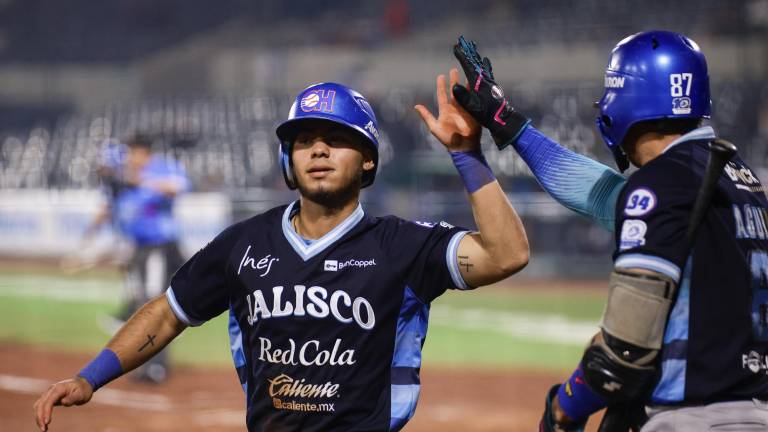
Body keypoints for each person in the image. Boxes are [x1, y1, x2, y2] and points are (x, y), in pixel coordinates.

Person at [33, 81, 529, 431]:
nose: (318, 150)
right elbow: (168, 312)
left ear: (369, 159)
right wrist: (88, 378)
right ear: (286, 159)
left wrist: (467, 154)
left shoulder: (402, 246)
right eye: (304, 141)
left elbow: (506, 254)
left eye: (337, 140)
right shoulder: (243, 243)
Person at [450, 32, 768, 431]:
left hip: (695, 416)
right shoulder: (735, 179)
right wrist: (508, 122)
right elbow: (597, 192)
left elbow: (622, 350)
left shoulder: (664, 184)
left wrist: (564, 407)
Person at [83, 134, 190, 383]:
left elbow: (178, 187)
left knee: (154, 305)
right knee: (143, 305)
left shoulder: (160, 169)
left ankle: (157, 367)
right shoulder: (122, 181)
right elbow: (109, 208)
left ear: (144, 152)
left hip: (160, 247)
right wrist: (89, 235)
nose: (130, 158)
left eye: (133, 153)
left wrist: (140, 180)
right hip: (139, 250)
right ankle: (145, 362)